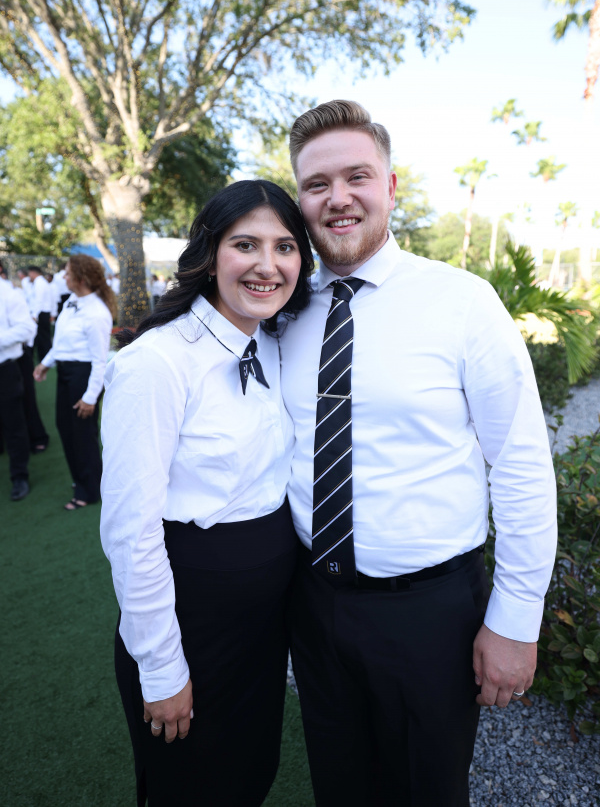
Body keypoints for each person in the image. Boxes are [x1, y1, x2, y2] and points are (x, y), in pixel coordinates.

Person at [280, 100, 557, 807]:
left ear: (391, 187)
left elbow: (521, 461)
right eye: (316, 184)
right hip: (314, 604)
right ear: (300, 201)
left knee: (426, 791)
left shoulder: (463, 303)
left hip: (429, 616)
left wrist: (515, 619)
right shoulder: (281, 311)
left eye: (357, 177)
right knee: (340, 787)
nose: (338, 198)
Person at [100, 180, 313, 807]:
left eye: (285, 247)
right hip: (195, 620)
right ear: (209, 253)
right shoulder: (157, 363)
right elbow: (131, 532)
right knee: (191, 787)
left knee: (248, 774)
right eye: (245, 244)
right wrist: (162, 667)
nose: (267, 264)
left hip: (261, 626)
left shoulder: (273, 340)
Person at [33, 255, 115, 510]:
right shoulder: (71, 301)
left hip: (83, 375)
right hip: (66, 373)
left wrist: (90, 397)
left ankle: (89, 490)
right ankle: (82, 477)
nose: (63, 277)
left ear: (81, 278)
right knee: (65, 427)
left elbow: (99, 360)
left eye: (67, 273)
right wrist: (46, 363)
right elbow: (62, 343)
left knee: (81, 434)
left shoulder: (97, 313)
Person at [0, 277, 37, 500]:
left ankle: (19, 476)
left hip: (4, 370)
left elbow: (26, 328)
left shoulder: (8, 294)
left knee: (13, 425)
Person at [28, 265, 54, 361]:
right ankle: (43, 357)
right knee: (42, 337)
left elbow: (39, 300)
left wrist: (35, 315)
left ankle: (45, 358)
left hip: (41, 313)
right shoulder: (40, 282)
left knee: (43, 338)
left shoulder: (39, 283)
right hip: (42, 312)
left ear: (33, 272)